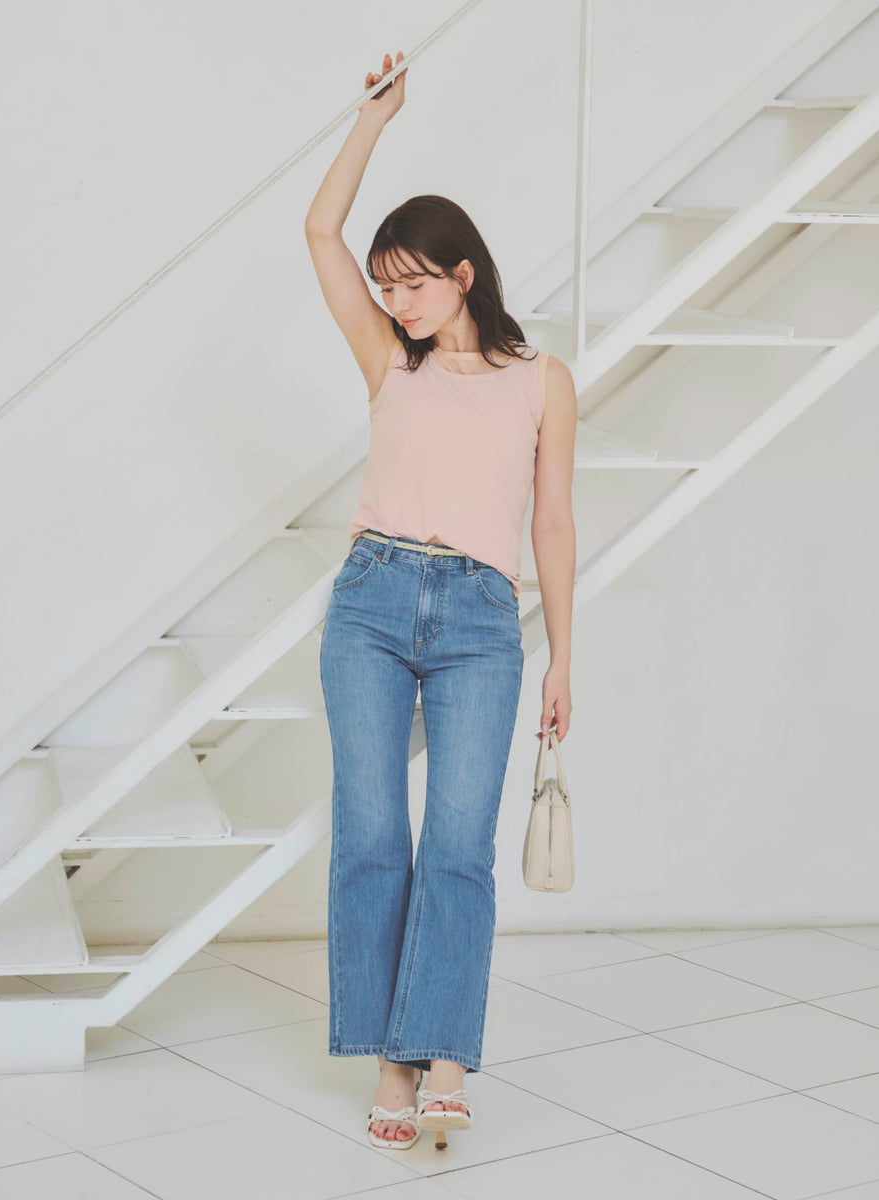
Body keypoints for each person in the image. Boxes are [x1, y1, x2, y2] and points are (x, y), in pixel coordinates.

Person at [304, 50, 577, 1151]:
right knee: (373, 837)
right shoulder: (390, 361)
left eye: (413, 283)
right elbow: (318, 232)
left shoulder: (542, 379)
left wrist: (564, 656)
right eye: (387, 286)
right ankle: (392, 1059)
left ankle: (446, 1051)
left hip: (480, 618)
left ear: (465, 275)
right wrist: (376, 120)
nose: (395, 301)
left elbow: (552, 524)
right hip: (371, 602)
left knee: (459, 845)